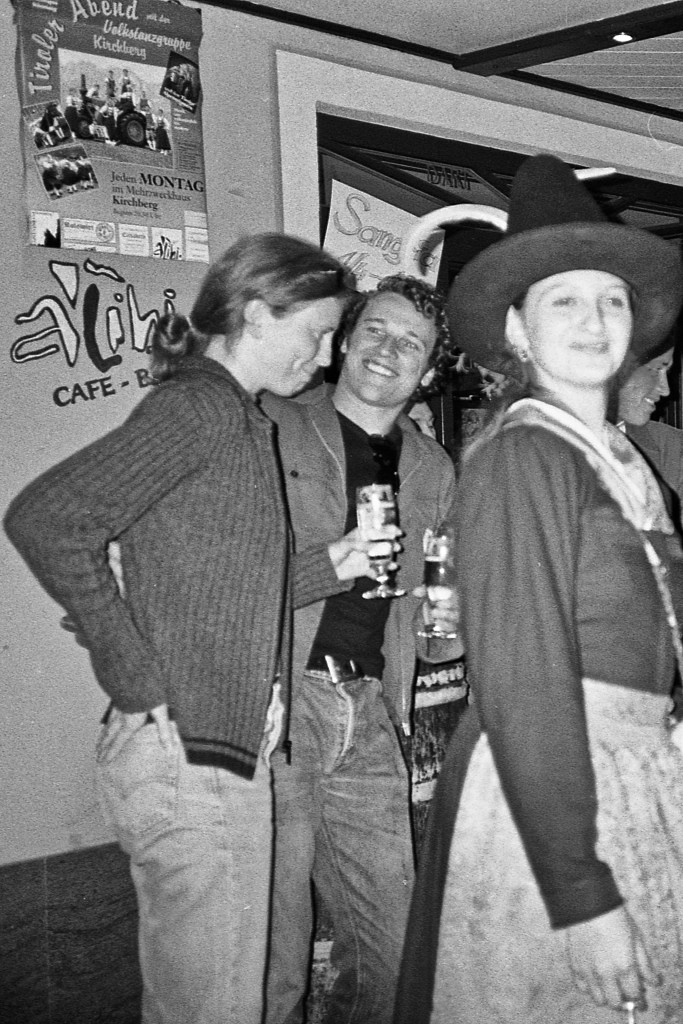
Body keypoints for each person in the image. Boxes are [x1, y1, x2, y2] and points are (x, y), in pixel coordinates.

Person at [3, 233, 370, 1024]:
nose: (326, 355)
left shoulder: (235, 416)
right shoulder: (202, 407)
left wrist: (329, 566)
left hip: (211, 753)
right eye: (317, 332)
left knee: (209, 1002)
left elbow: (217, 592)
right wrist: (135, 677)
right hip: (191, 755)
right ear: (257, 314)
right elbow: (47, 518)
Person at [394, 155, 683, 1024]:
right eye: (564, 300)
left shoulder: (618, 458)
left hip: (629, 775)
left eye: (611, 300)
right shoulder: (525, 456)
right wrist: (579, 895)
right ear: (517, 330)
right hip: (553, 797)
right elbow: (523, 683)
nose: (594, 320)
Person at [263, 274, 462, 1024]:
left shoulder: (433, 466)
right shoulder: (272, 422)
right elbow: (225, 578)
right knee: (275, 952)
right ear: (344, 339)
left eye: (412, 343)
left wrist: (450, 610)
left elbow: (434, 594)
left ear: (430, 372)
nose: (388, 350)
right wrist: (331, 562)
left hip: (372, 707)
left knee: (394, 943)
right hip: (283, 702)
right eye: (375, 329)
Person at [616, 344, 683, 522]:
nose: (665, 389)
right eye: (656, 369)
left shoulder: (674, 449)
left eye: (667, 372)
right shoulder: (549, 442)